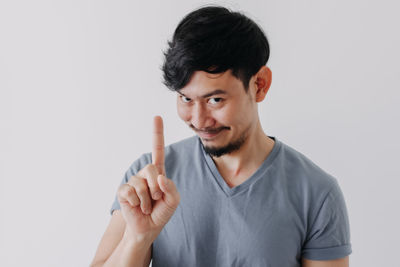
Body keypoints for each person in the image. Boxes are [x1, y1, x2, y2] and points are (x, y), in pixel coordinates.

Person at [90, 5, 352, 267]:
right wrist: (137, 239)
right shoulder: (149, 180)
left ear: (259, 84)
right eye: (186, 98)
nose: (199, 120)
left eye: (215, 99)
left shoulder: (316, 193)